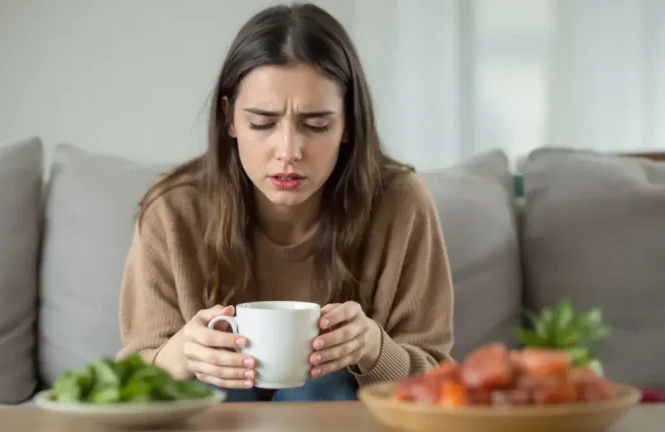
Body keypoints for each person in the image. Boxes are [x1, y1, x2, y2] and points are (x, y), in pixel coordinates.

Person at [116, 2, 455, 402]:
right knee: (218, 387)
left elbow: (439, 380)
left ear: (348, 123)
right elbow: (128, 378)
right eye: (263, 123)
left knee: (324, 386)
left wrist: (374, 349)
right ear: (229, 119)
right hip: (218, 412)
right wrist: (179, 356)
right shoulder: (173, 210)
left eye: (317, 125)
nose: (289, 151)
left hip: (333, 411)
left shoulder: (401, 205)